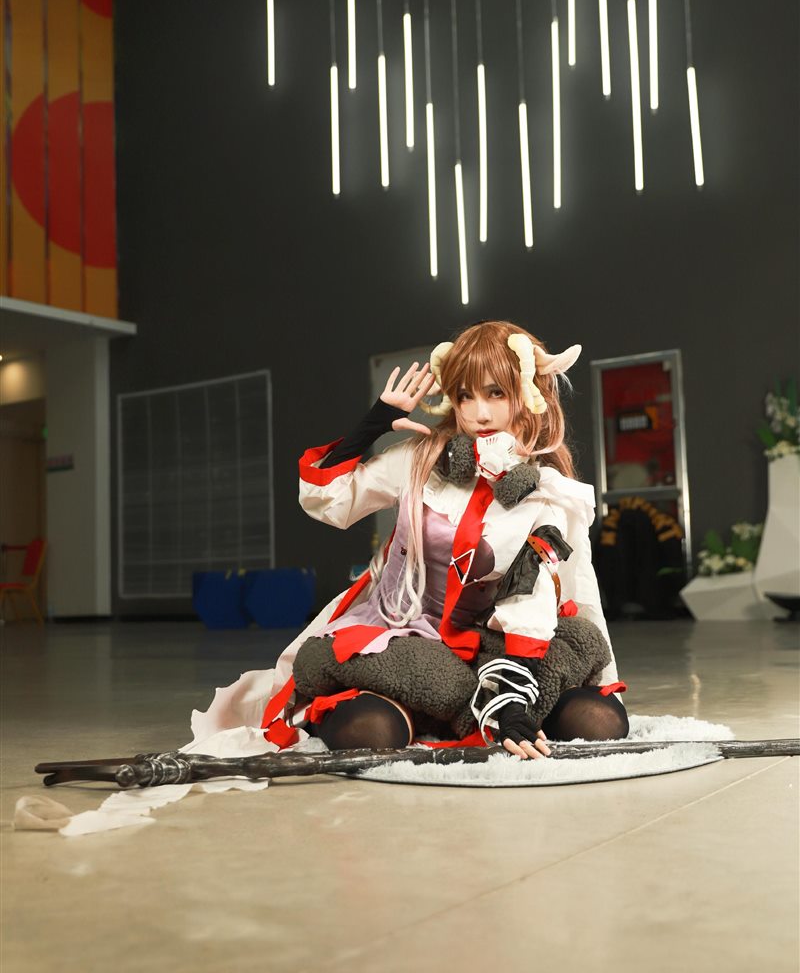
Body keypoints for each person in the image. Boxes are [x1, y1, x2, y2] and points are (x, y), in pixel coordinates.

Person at [254, 320, 628, 762]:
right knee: (370, 730)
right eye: (465, 395)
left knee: (600, 722)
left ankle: (492, 710)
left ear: (527, 393)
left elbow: (556, 588)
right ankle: (422, 711)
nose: (479, 414)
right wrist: (371, 426)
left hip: (495, 643)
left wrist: (529, 695)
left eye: (496, 393)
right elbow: (330, 501)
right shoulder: (421, 459)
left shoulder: (548, 491)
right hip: (405, 632)